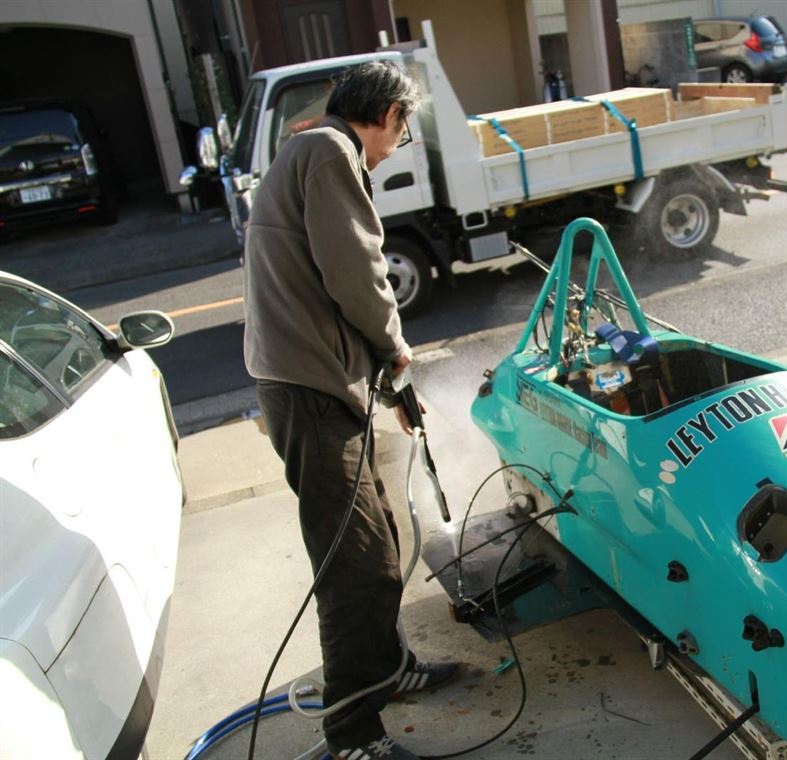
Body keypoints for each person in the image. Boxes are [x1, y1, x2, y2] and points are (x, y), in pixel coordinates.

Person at [243, 61, 456, 760]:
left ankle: (389, 672)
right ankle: (353, 737)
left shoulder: (307, 149)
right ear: (390, 112)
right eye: (405, 124)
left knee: (383, 539)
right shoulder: (331, 152)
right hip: (310, 393)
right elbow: (358, 275)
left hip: (313, 381)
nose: (403, 137)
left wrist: (388, 390)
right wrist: (396, 352)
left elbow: (327, 281)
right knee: (359, 566)